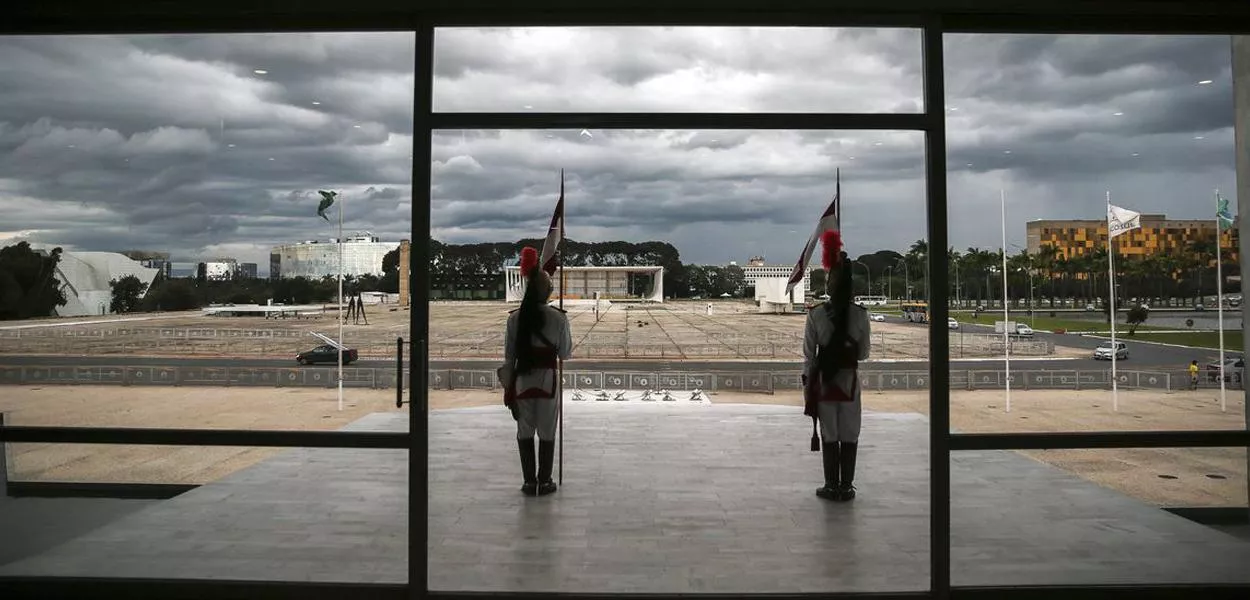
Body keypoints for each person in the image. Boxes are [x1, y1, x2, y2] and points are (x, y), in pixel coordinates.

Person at [803, 230, 871, 502]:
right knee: (850, 433)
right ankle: (847, 486)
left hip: (825, 382)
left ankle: (831, 485)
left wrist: (808, 383)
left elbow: (809, 354)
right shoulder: (861, 316)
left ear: (832, 283)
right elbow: (863, 354)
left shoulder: (817, 314)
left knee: (830, 433)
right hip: (850, 380)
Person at [499, 247, 573, 496]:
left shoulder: (514, 319)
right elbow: (564, 354)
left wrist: (508, 389)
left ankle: (529, 482)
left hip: (521, 381)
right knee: (548, 431)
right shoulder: (559, 319)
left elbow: (509, 358)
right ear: (548, 292)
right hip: (548, 381)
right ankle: (546, 480)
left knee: (525, 431)